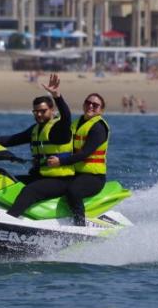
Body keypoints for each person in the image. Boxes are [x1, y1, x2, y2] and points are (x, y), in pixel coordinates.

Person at [0, 74, 73, 218]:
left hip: (60, 180)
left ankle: (9, 220)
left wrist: (57, 96)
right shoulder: (36, 129)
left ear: (52, 110)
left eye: (43, 111)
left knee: (30, 191)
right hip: (40, 176)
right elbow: (13, 139)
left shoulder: (60, 129)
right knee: (7, 182)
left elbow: (67, 116)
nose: (39, 114)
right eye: (36, 111)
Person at [47, 93, 110, 226]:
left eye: (95, 105)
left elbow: (85, 154)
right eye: (88, 102)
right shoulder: (77, 123)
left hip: (94, 177)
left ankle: (80, 227)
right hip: (75, 173)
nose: (90, 106)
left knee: (73, 191)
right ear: (83, 104)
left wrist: (60, 161)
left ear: (101, 110)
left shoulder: (98, 128)